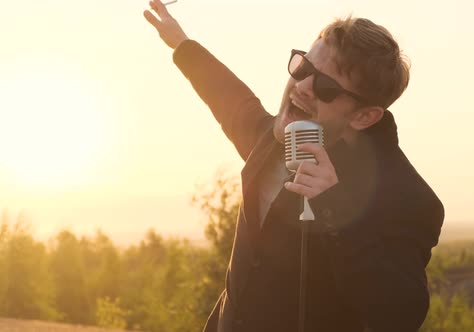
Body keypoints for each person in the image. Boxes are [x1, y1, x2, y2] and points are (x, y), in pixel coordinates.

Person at [144, 1, 444, 331]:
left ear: (364, 116)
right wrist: (182, 44)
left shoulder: (405, 197)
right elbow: (231, 101)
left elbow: (400, 316)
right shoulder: (277, 142)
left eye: (326, 88)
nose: (302, 87)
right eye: (304, 68)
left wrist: (335, 210)